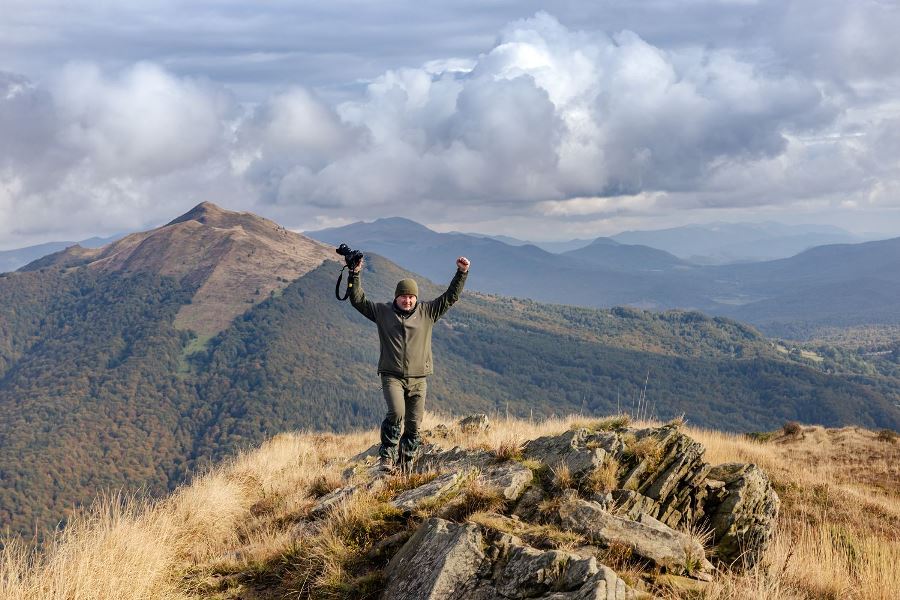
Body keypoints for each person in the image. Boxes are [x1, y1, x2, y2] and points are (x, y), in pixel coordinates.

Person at [348, 256, 470, 472]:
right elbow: (358, 300)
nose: (407, 301)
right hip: (392, 375)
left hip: (419, 379)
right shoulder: (382, 312)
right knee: (396, 413)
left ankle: (405, 465)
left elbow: (451, 297)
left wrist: (462, 273)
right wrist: (354, 273)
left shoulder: (428, 312)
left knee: (414, 425)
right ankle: (387, 457)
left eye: (411, 297)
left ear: (416, 298)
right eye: (403, 296)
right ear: (396, 297)